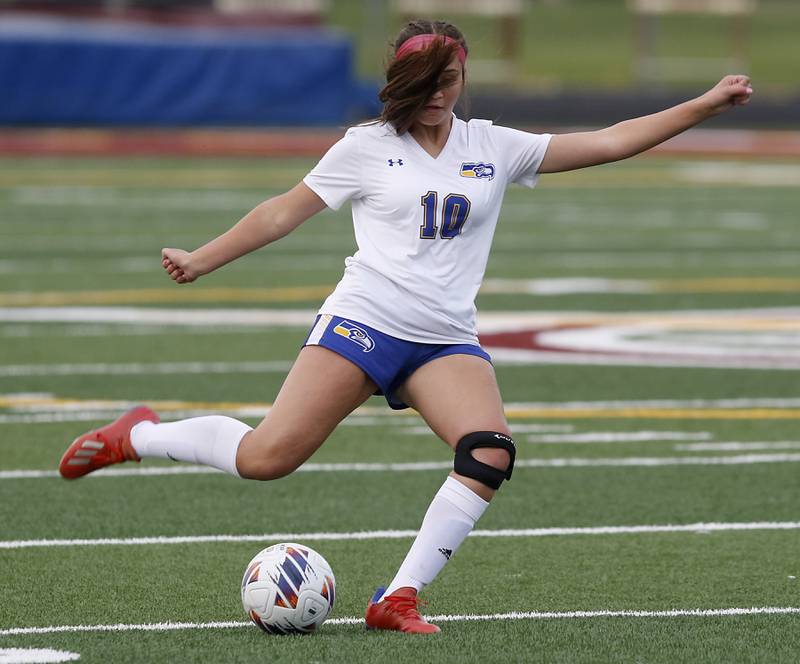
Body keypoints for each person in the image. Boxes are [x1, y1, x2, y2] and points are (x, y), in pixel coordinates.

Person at [58, 19, 753, 634]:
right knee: (267, 458)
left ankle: (397, 597)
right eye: (424, 82)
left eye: (449, 80)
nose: (439, 94)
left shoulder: (492, 145)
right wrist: (201, 259)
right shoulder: (366, 145)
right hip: (364, 321)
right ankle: (138, 434)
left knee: (488, 452)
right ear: (399, 82)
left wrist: (707, 104)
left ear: (462, 77)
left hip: (445, 338)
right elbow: (281, 211)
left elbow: (608, 142)